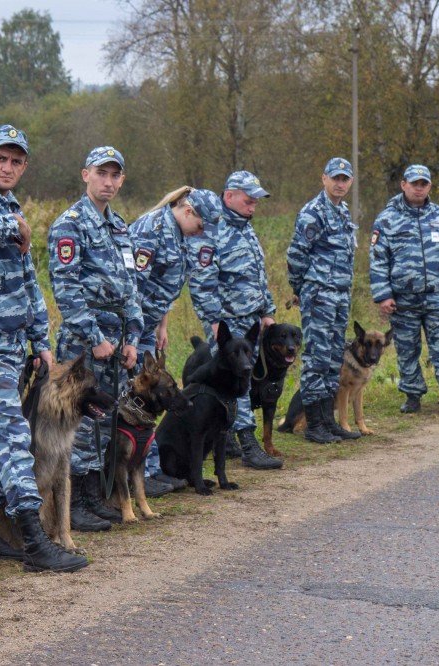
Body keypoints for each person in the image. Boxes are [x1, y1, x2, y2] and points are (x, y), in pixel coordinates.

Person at [0, 125, 87, 573]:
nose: (7, 167)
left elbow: (28, 284)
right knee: (12, 436)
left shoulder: (10, 206)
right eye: (0, 158)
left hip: (11, 346)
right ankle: (34, 540)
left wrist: (41, 343)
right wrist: (14, 223)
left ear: (23, 166)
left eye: (16, 161)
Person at [47, 146, 144, 531]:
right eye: (101, 173)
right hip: (84, 343)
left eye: (114, 175)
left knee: (104, 417)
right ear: (85, 174)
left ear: (121, 180)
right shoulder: (70, 224)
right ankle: (73, 502)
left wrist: (133, 337)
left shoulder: (120, 226)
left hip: (118, 340)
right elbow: (65, 289)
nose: (108, 181)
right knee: (79, 420)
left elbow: (131, 287)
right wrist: (95, 338)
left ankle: (93, 495)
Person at [129, 186, 224, 495]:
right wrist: (132, 335)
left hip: (147, 325)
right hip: (131, 326)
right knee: (138, 400)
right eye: (200, 225)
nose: (201, 233)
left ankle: (151, 470)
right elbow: (133, 285)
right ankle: (140, 474)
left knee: (148, 402)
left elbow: (167, 285)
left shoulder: (180, 234)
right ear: (187, 211)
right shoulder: (152, 228)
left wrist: (162, 324)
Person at [186, 171, 283, 470]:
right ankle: (248, 444)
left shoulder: (246, 229)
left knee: (243, 379)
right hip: (227, 323)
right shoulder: (211, 228)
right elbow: (202, 280)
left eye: (256, 201)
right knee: (233, 380)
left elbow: (258, 275)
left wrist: (267, 311)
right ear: (229, 196)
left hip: (251, 320)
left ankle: (225, 439)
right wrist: (214, 322)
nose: (253, 206)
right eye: (248, 199)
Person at [369, 164, 439, 417]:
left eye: (424, 184)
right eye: (414, 183)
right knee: (407, 349)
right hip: (402, 299)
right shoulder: (387, 219)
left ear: (429, 187)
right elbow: (377, 259)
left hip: (438, 297)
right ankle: (412, 395)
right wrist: (383, 294)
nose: (419, 188)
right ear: (403, 184)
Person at [286, 157, 362, 443]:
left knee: (333, 358)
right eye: (335, 178)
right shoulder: (312, 213)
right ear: (324, 179)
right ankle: (314, 423)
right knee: (316, 358)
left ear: (350, 182)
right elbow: (296, 257)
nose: (340, 183)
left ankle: (329, 421)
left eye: (345, 179)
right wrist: (303, 289)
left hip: (340, 296)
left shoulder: (343, 212)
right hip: (319, 296)